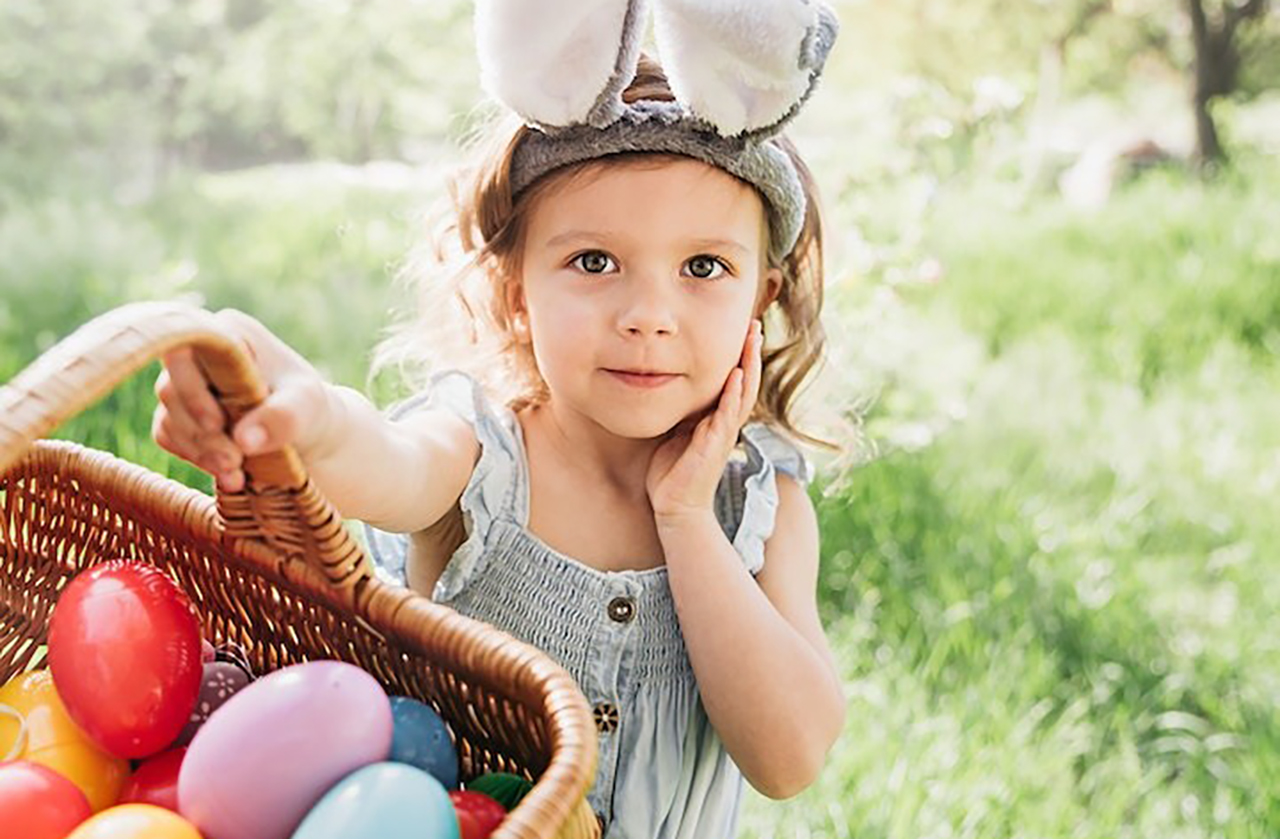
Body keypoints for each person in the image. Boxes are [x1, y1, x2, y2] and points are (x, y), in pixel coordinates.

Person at [152, 1, 846, 835]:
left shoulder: (761, 512)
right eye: (594, 261)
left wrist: (687, 516)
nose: (648, 313)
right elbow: (388, 463)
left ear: (759, 300)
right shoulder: (484, 450)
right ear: (519, 289)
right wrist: (312, 420)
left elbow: (790, 756)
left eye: (704, 266)